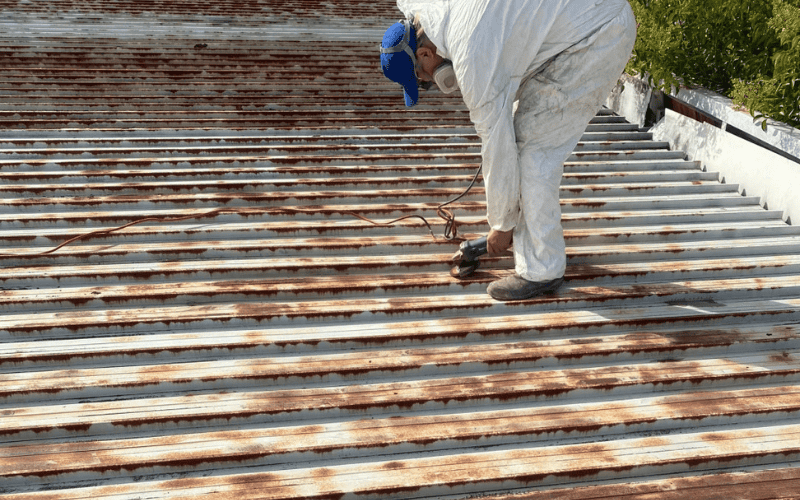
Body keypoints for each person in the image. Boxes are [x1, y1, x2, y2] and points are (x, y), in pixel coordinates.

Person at [380, 0, 636, 301]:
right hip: (589, 15)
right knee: (525, 130)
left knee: (533, 150)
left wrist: (501, 225)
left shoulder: (470, 54)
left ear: (425, 53)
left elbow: (497, 147)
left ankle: (542, 271)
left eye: (423, 78)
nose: (431, 83)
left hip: (597, 32)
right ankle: (535, 242)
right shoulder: (429, 10)